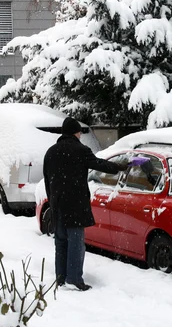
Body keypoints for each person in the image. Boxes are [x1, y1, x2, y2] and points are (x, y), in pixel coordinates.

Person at [43, 117, 129, 291]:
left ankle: (61, 277)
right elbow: (99, 164)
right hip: (75, 205)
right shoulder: (80, 150)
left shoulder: (50, 152)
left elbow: (47, 179)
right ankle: (74, 279)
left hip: (57, 204)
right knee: (76, 242)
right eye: (79, 133)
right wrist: (119, 167)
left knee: (61, 242)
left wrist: (52, 200)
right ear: (76, 133)